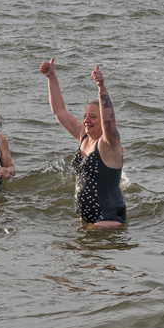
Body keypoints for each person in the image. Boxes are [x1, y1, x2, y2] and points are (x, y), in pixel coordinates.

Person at [40, 57, 126, 227]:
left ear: (102, 121)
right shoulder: (84, 136)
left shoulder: (108, 144)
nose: (86, 120)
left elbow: (109, 123)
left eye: (93, 117)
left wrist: (101, 87)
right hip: (87, 220)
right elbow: (59, 111)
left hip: (108, 219)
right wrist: (51, 77)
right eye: (85, 116)